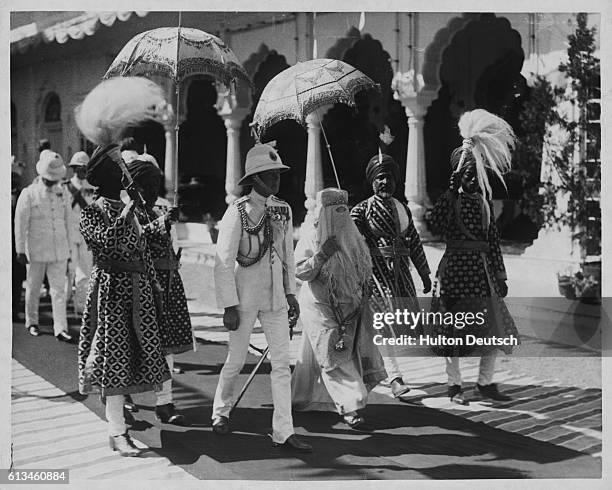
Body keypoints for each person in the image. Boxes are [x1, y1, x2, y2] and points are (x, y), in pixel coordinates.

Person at [75, 75, 174, 457]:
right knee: (113, 363)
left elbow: (142, 248)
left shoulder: (128, 207)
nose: (126, 175)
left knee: (131, 363)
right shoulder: (92, 211)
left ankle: (121, 426)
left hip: (138, 293)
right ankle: (116, 432)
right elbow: (107, 244)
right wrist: (127, 214)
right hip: (112, 293)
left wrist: (154, 282)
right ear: (106, 175)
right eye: (119, 169)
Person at [212, 142, 311, 453]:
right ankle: (220, 412)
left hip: (276, 299)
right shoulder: (236, 212)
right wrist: (229, 305)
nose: (277, 180)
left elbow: (287, 258)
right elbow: (223, 263)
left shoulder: (283, 209)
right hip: (243, 299)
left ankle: (284, 430)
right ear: (254, 179)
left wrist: (292, 293)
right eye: (270, 175)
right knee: (237, 360)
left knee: (282, 364)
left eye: (278, 174)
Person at [426, 108, 519, 404]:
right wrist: (450, 191)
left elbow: (492, 242)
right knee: (452, 332)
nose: (470, 177)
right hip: (454, 272)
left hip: (482, 275)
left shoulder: (483, 203)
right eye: (464, 173)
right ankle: (454, 386)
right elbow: (435, 222)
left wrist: (500, 276)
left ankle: (485, 383)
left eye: (472, 172)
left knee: (492, 329)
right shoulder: (449, 201)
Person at [292, 188, 387, 428]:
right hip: (319, 306)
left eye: (343, 210)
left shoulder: (353, 236)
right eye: (334, 211)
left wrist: (366, 288)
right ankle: (352, 404)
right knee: (332, 354)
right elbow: (300, 271)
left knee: (315, 354)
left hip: (350, 307)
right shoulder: (312, 235)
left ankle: (301, 398)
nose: (340, 216)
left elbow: (364, 266)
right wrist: (322, 255)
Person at [351, 153, 432, 399]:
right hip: (373, 277)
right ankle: (395, 378)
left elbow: (415, 243)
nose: (385, 182)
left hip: (400, 276)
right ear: (372, 181)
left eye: (389, 178)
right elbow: (352, 243)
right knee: (382, 327)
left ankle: (370, 373)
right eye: (380, 178)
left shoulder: (403, 208)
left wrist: (424, 273)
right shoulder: (361, 210)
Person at [127, 157, 193, 425]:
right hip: (142, 286)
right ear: (136, 186)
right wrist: (162, 223)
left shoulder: (160, 208)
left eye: (156, 183)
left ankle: (165, 403)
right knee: (135, 343)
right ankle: (123, 394)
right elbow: (136, 238)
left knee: (167, 346)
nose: (153, 189)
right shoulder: (128, 211)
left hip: (168, 283)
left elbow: (172, 243)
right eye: (147, 184)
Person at [14, 150, 73, 341]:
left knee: (59, 290)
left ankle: (60, 327)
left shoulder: (63, 192)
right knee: (33, 287)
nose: (52, 181)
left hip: (59, 250)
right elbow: (20, 224)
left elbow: (68, 222)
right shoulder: (29, 194)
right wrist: (20, 250)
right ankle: (32, 322)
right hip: (37, 250)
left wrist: (70, 249)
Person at [64, 151, 95, 314]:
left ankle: (82, 307)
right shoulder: (65, 187)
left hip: (86, 235)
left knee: (85, 271)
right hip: (70, 234)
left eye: (85, 168)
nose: (83, 171)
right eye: (80, 168)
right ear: (74, 169)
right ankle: (63, 306)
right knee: (68, 270)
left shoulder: (92, 188)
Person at [12, 161, 26, 321]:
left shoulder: (22, 194)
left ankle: (15, 309)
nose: (14, 180)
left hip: (17, 243)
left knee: (17, 278)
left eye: (16, 177)